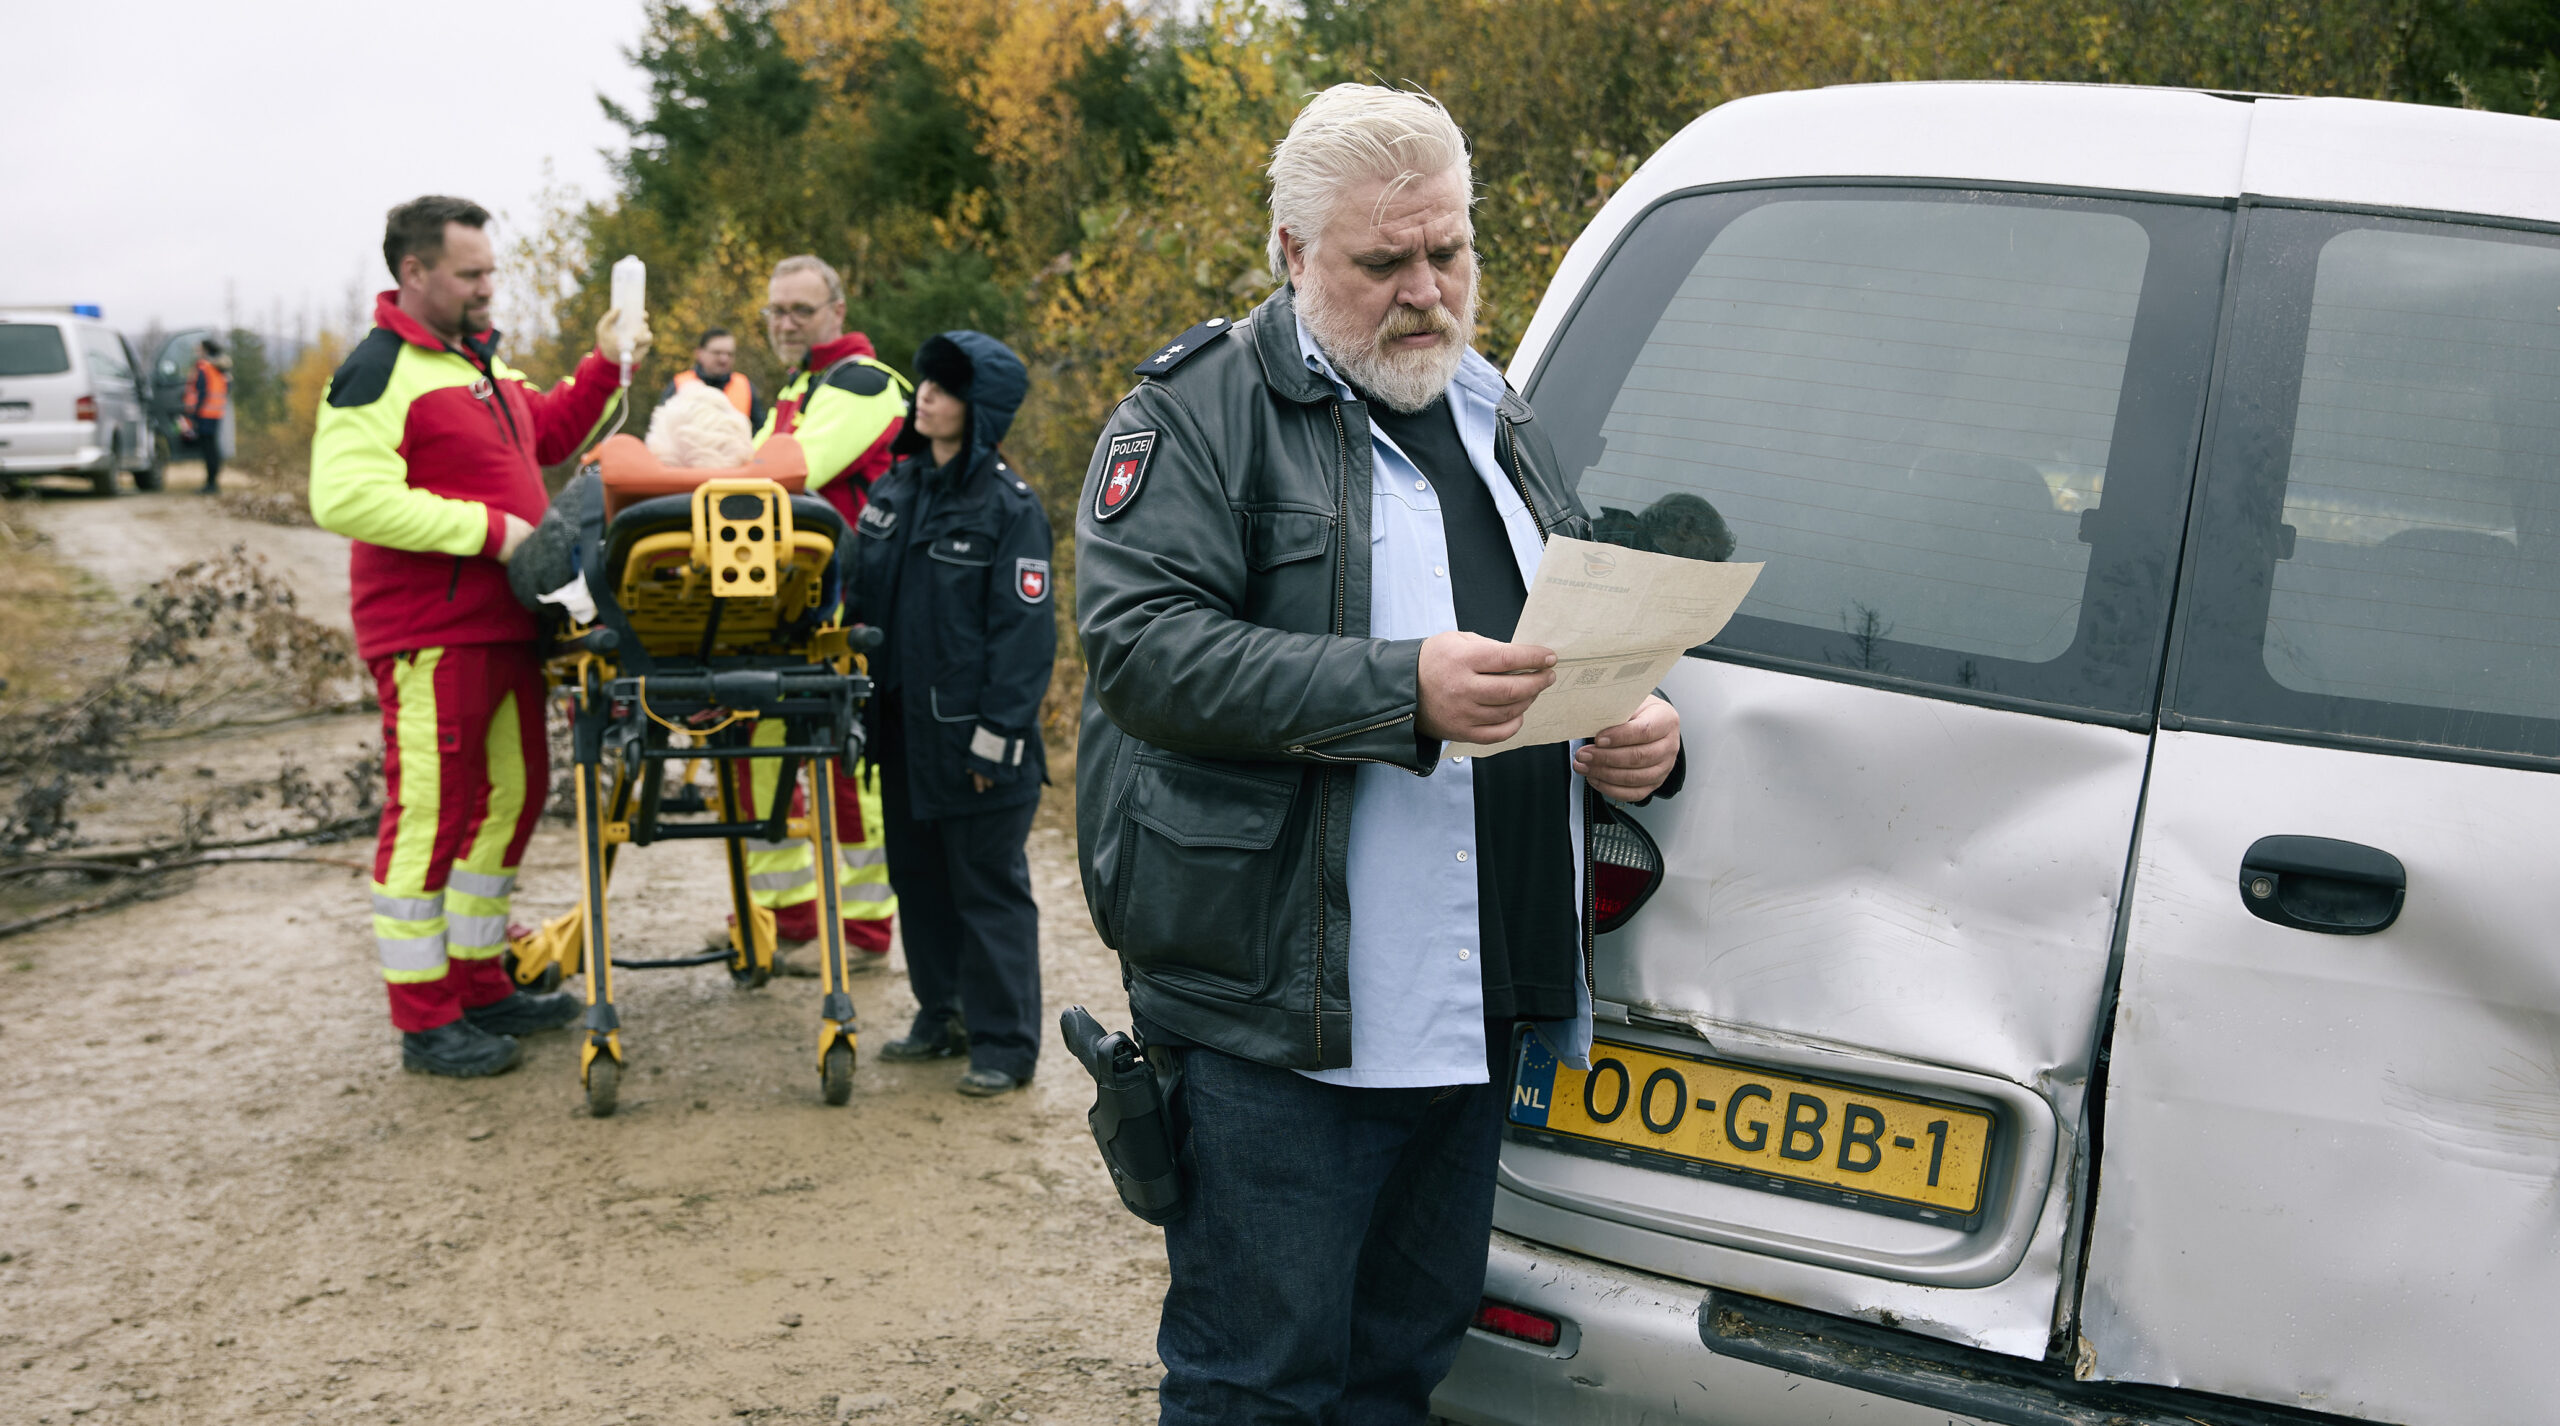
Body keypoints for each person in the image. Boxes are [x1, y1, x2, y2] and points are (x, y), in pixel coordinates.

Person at [1073, 85, 1684, 1423]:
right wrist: (1396, 690)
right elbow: (1138, 647)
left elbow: (1562, 623)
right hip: (1282, 1020)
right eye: (1383, 261)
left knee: (1403, 1370)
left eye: (1449, 251)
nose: (1427, 290)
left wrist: (1631, 722)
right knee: (1263, 1384)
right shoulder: (1195, 415)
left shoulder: (1492, 409)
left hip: (1474, 1006)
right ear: (1291, 254)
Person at [309, 194, 650, 1078]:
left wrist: (606, 361)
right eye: (471, 274)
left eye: (491, 271)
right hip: (432, 634)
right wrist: (494, 533)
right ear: (414, 273)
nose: (487, 287)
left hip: (505, 629)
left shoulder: (480, 366)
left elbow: (551, 433)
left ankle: (479, 982)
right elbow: (342, 496)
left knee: (512, 798)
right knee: (430, 813)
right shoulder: (381, 369)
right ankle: (426, 1020)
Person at [855, 332, 1053, 1097]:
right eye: (924, 383)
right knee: (917, 880)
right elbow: (856, 598)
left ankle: (1004, 1044)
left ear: (982, 408)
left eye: (945, 387)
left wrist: (997, 738)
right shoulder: (892, 492)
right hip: (902, 735)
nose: (925, 396)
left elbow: (1025, 636)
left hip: (977, 743)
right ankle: (942, 1014)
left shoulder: (1010, 508)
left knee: (987, 887)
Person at [734, 255, 902, 962]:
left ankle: (864, 935)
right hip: (779, 611)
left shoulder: (862, 383)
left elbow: (783, 474)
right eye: (776, 310)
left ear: (837, 311)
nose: (785, 322)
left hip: (846, 610)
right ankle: (786, 925)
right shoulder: (799, 387)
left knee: (846, 775)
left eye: (801, 309)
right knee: (760, 761)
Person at [663, 326, 765, 433]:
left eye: (729, 354)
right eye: (717, 353)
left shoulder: (745, 386)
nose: (724, 359)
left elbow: (761, 432)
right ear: (699, 353)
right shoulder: (679, 385)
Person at [183, 338, 230, 494]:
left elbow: (201, 392)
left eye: (199, 348)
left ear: (205, 350)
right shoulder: (220, 369)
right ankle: (212, 481)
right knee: (212, 448)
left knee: (208, 449)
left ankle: (211, 484)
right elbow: (227, 388)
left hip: (205, 413)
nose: (197, 351)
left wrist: (194, 414)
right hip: (216, 412)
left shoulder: (204, 368)